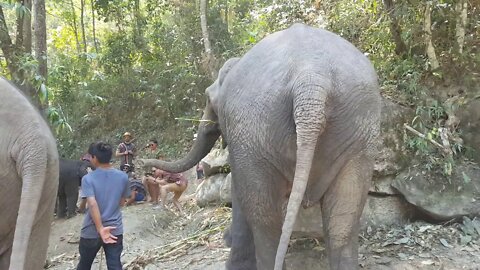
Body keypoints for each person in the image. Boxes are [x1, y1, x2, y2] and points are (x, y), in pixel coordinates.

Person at [76, 141, 130, 270]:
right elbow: (122, 202)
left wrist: (100, 228)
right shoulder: (123, 177)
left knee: (84, 265)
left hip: (91, 230)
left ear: (94, 158)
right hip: (114, 230)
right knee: (114, 265)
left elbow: (92, 203)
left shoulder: (88, 179)